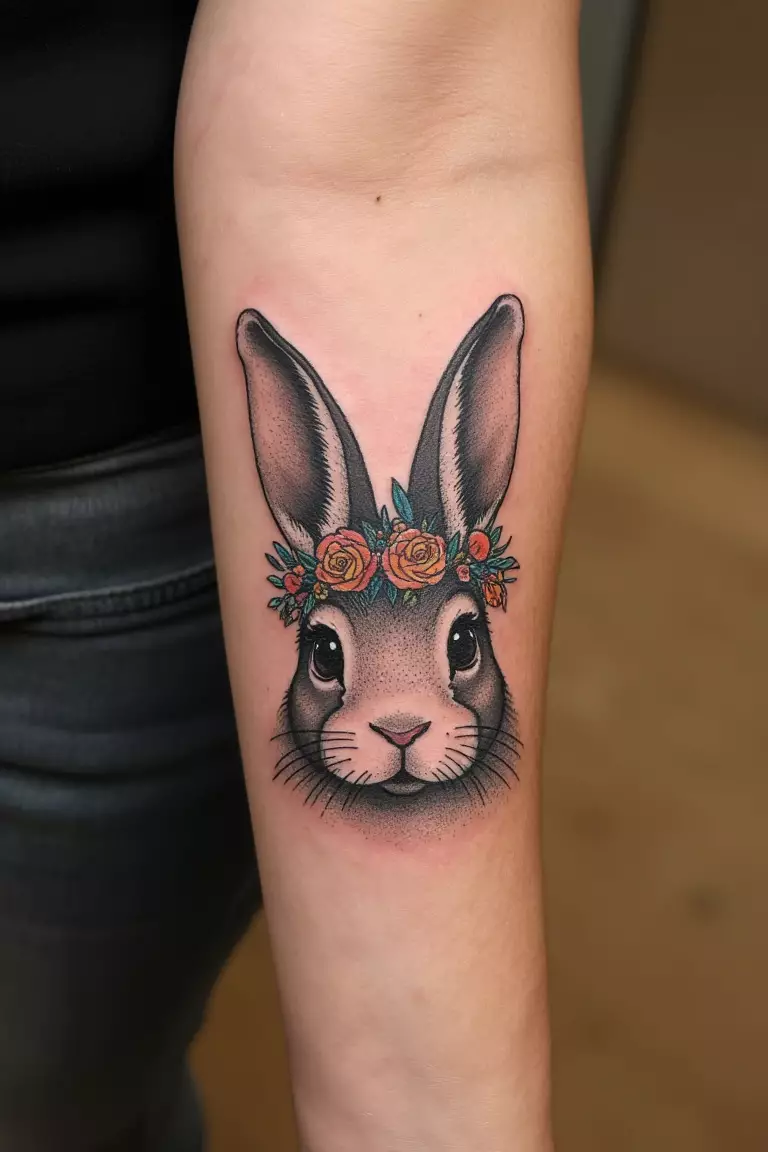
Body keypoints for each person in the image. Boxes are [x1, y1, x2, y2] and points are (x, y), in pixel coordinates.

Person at [1, 0, 591, 1148]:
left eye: (456, 644)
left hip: (78, 490)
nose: (410, 729)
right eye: (332, 653)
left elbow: (410, 125)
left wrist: (432, 1103)